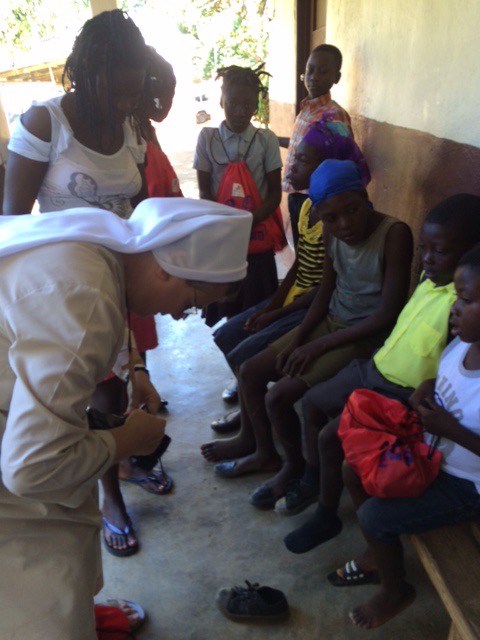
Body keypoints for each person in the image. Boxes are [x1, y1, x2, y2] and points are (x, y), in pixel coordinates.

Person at [0, 197, 252, 640]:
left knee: (73, 512)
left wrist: (136, 368)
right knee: (44, 561)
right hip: (15, 458)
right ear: (167, 269)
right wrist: (126, 442)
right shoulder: (85, 295)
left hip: (14, 413)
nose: (182, 315)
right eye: (194, 301)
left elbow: (97, 306)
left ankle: (81, 608)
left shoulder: (108, 243)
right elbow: (30, 469)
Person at [3, 9, 167, 555]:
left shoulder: (132, 127)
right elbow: (11, 226)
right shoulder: (44, 124)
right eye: (117, 93)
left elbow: (137, 209)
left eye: (134, 92)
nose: (126, 104)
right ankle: (108, 496)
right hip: (66, 294)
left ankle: (122, 461)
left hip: (120, 281)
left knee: (121, 385)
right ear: (86, 73)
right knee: (83, 398)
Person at [204, 159, 413, 509]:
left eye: (352, 210)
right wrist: (300, 338)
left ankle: (298, 470)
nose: (344, 224)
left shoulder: (394, 234)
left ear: (365, 198)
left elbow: (387, 314)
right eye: (331, 218)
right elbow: (326, 292)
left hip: (365, 335)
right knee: (251, 370)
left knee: (279, 396)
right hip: (331, 322)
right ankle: (266, 453)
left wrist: (317, 346)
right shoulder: (332, 232)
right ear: (320, 217)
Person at [280, 193, 480, 556]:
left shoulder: (463, 308)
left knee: (331, 437)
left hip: (400, 392)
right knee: (311, 401)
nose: (427, 259)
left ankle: (327, 513)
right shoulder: (430, 280)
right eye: (424, 249)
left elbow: (451, 375)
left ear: (470, 252)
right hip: (375, 367)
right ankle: (311, 480)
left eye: (439, 252)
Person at [343, 243, 480, 630]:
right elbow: (445, 378)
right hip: (430, 450)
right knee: (353, 467)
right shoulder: (462, 343)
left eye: (466, 300)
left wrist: (450, 430)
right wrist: (426, 386)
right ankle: (378, 550)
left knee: (374, 516)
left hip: (465, 485)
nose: (454, 308)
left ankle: (395, 590)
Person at [207, 116, 371, 435]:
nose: (292, 166)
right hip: (296, 298)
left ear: (327, 166)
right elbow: (298, 264)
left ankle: (253, 420)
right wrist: (272, 306)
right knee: (227, 335)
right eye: (295, 157)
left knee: (248, 353)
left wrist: (277, 314)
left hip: (311, 305)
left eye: (303, 160)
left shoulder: (338, 222)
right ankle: (250, 408)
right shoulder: (306, 206)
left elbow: (326, 287)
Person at [194, 63, 283, 328]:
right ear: (221, 101)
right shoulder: (207, 138)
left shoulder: (266, 140)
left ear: (256, 105)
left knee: (257, 306)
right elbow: (204, 191)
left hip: (257, 237)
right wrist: (226, 225)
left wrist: (248, 221)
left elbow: (274, 194)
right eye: (232, 103)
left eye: (248, 105)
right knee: (227, 303)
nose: (240, 111)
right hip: (222, 237)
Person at [279, 44, 353, 248]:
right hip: (297, 195)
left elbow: (339, 162)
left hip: (316, 199)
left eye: (323, 71)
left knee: (315, 254)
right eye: (310, 70)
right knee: (301, 250)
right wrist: (273, 139)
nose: (314, 77)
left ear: (336, 77)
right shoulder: (306, 109)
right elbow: (301, 146)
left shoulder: (334, 115)